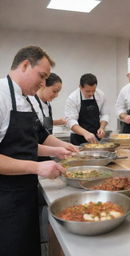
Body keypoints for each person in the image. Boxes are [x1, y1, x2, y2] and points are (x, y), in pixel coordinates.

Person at [0, 46, 69, 256]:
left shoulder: (26, 99)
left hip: (25, 191)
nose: (43, 83)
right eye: (42, 76)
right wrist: (37, 167)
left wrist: (57, 151)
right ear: (24, 65)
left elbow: (24, 144)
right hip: (5, 197)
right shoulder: (1, 96)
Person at [65, 73, 109, 145]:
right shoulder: (72, 98)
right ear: (80, 87)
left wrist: (102, 127)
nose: (91, 94)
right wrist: (85, 133)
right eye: (88, 91)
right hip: (77, 139)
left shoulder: (100, 95)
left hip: (96, 137)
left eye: (93, 90)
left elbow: (105, 114)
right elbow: (71, 121)